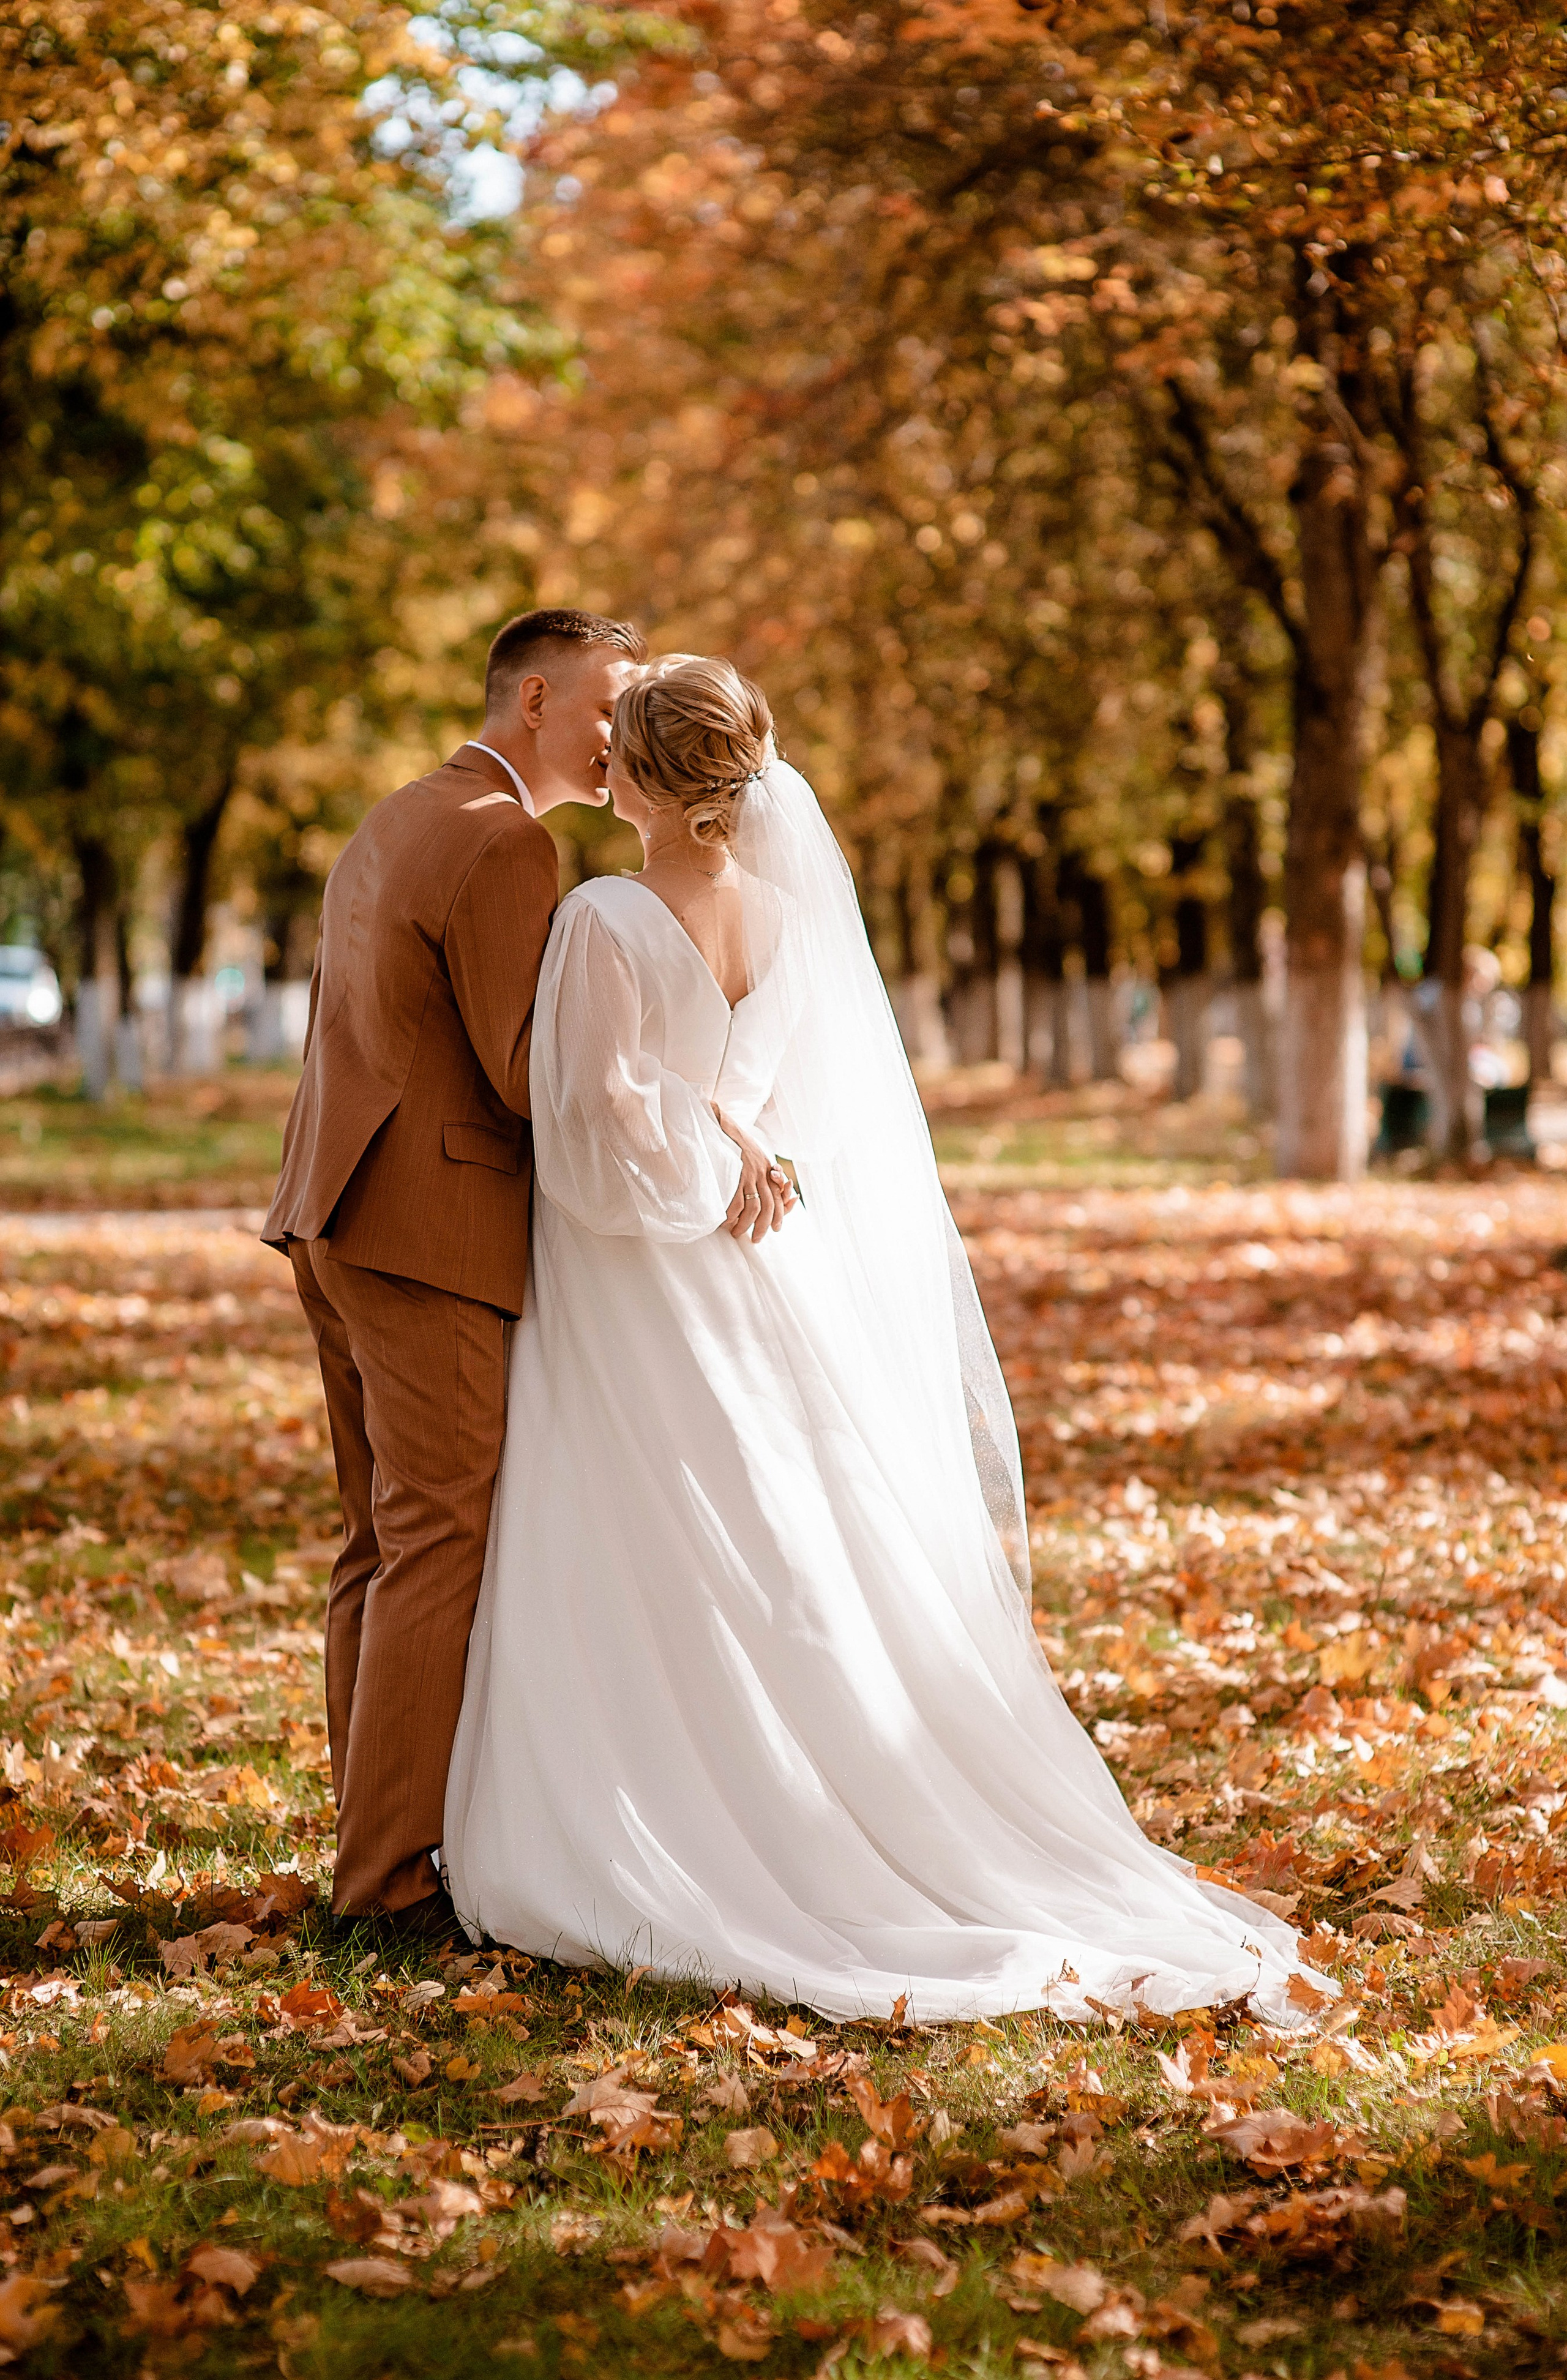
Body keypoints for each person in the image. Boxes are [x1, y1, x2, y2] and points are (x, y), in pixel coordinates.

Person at [443, 656, 1333, 2023]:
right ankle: (816, 1775)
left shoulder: (604, 920)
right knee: (774, 1523)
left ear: (650, 779)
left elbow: (593, 1137)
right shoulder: (794, 920)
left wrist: (697, 1154)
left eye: (615, 746)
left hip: (641, 1281)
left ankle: (682, 1813)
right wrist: (746, 1151)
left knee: (653, 1523)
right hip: (763, 1262)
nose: (599, 765)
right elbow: (813, 1110)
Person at [262, 607, 646, 1941]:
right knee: (435, 1541)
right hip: (428, 1232)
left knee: (377, 1541)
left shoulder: (399, 813)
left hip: (333, 1208)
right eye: (605, 706)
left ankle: (368, 1846)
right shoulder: (506, 841)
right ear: (533, 699)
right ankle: (384, 1884)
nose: (617, 736)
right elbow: (522, 1071)